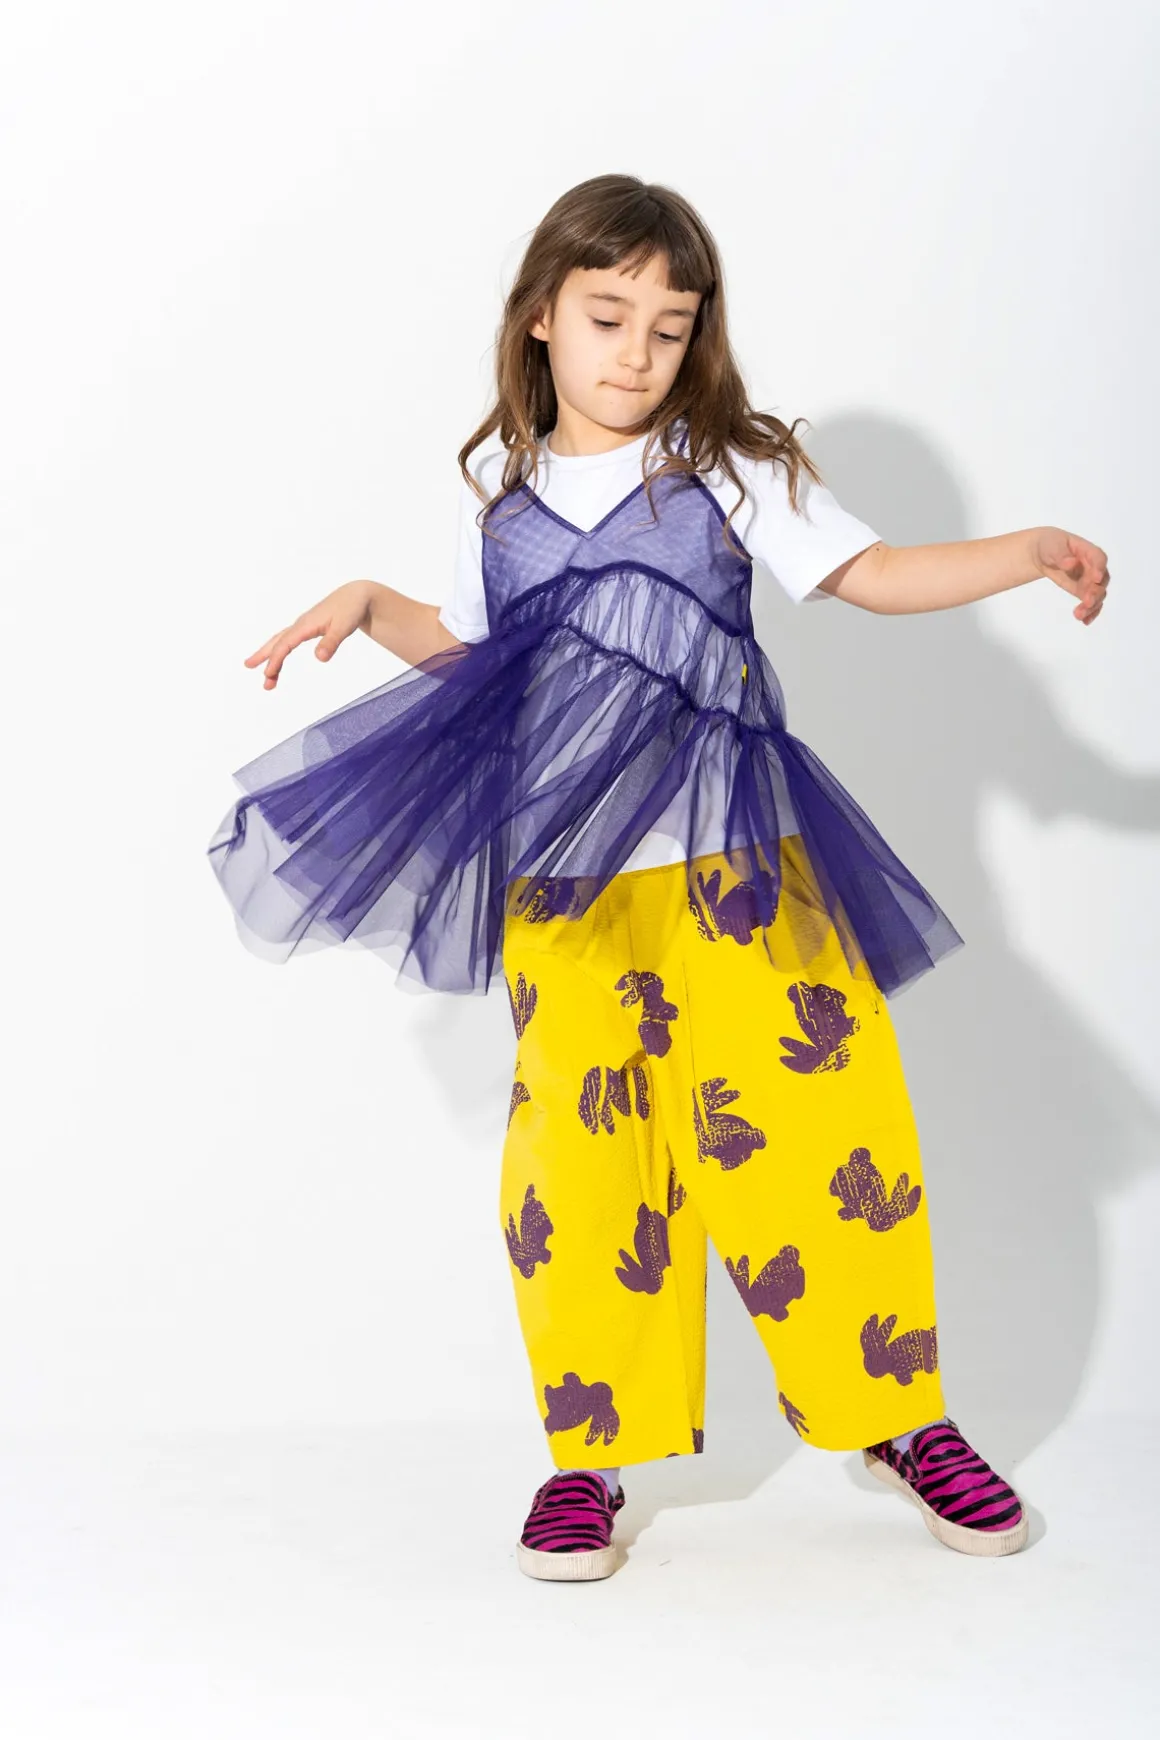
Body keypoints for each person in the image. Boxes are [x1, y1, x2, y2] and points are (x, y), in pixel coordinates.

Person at [207, 175, 1109, 1583]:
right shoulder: (505, 514)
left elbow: (873, 573)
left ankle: (898, 1417)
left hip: (740, 873)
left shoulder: (724, 476)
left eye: (669, 327)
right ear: (540, 319)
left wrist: (1026, 554)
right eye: (607, 316)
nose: (637, 353)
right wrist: (379, 607)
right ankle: (591, 1454)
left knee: (827, 1139)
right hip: (568, 895)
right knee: (582, 1171)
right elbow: (480, 658)